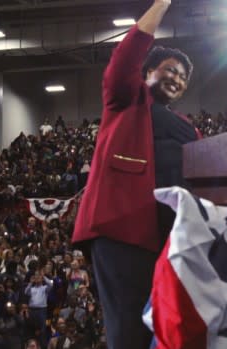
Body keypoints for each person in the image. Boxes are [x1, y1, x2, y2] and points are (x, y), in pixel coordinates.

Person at [71, 0, 197, 348]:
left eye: (183, 78)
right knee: (128, 330)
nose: (176, 79)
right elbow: (125, 57)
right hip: (122, 229)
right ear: (148, 71)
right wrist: (162, 4)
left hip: (168, 240)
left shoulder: (189, 129)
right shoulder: (126, 99)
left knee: (161, 333)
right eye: (170, 70)